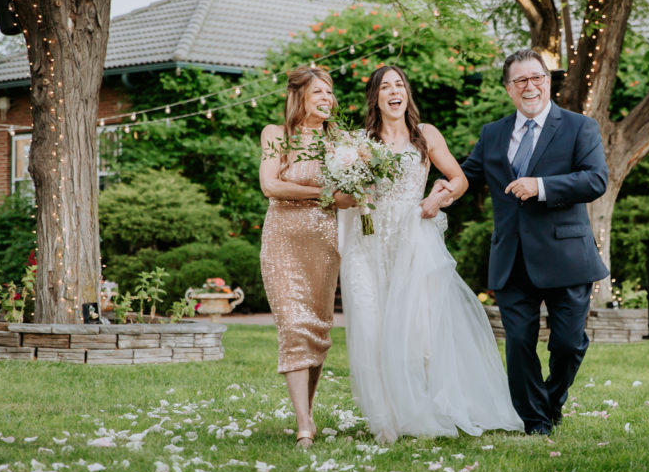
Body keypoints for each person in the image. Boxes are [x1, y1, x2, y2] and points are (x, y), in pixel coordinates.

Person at [339, 65, 523, 443]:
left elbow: (459, 179)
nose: (394, 91)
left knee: (415, 330)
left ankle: (420, 407)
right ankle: (385, 419)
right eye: (386, 86)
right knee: (370, 326)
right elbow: (341, 194)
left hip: (412, 240)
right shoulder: (359, 142)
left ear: (406, 94)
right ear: (375, 97)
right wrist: (358, 193)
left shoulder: (425, 135)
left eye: (400, 85)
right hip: (368, 242)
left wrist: (438, 198)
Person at [451, 50, 609, 436]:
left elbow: (595, 180)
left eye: (536, 77)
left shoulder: (579, 127)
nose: (530, 86)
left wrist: (541, 186)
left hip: (566, 255)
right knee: (519, 345)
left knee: (569, 345)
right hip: (512, 257)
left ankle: (551, 402)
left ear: (548, 81)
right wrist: (441, 188)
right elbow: (467, 176)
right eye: (520, 80)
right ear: (508, 89)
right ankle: (535, 422)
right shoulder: (492, 133)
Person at [259, 66, 355, 449]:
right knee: (293, 325)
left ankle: (308, 412)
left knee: (316, 329)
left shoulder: (342, 142)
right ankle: (303, 424)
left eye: (329, 93)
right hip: (282, 241)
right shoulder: (276, 135)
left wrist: (296, 188)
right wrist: (322, 193)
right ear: (299, 96)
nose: (327, 99)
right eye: (318, 92)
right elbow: (269, 185)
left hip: (324, 243)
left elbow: (350, 197)